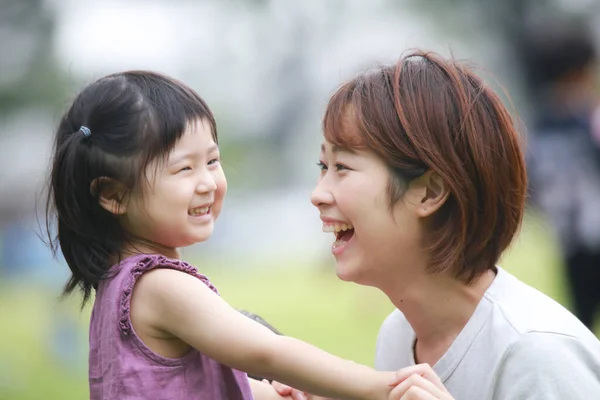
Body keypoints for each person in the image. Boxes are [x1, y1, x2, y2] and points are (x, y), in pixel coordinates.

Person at [44, 70, 410, 400]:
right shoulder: (159, 285)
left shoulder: (118, 286)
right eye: (184, 168)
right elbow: (267, 352)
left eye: (212, 161)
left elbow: (186, 383)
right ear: (113, 194)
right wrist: (381, 387)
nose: (207, 183)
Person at [275, 50, 600, 399]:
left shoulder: (537, 354)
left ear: (430, 192)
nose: (318, 194)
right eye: (324, 166)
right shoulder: (400, 335)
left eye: (343, 167)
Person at [524, 18, 600, 331]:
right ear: (580, 70)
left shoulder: (536, 129)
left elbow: (531, 189)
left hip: (568, 241)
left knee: (582, 323)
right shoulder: (590, 120)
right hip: (593, 230)